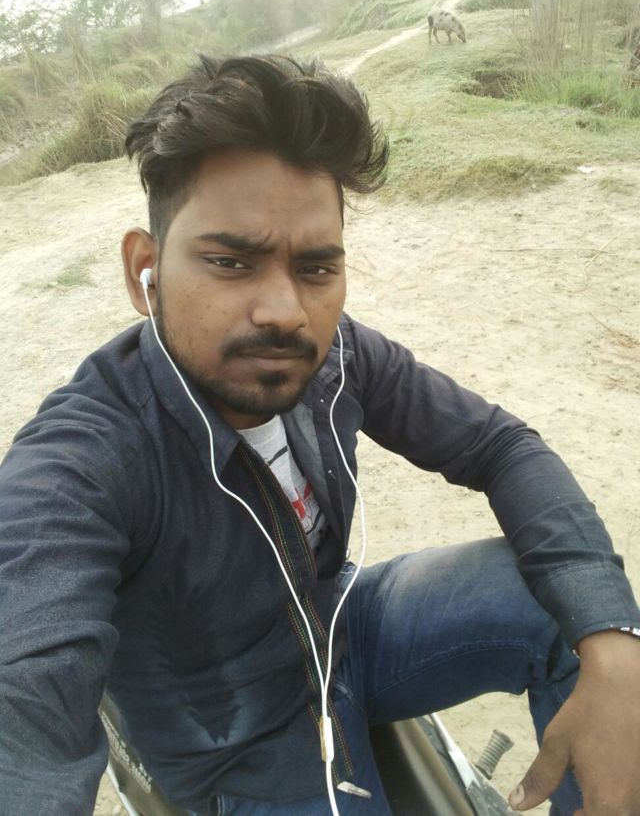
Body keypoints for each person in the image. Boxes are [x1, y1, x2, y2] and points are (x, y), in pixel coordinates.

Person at [0, 54, 639, 816]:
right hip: (237, 739)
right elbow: (25, 693)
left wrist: (613, 640)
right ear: (146, 268)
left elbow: (500, 445)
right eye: (230, 261)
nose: (284, 311)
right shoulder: (81, 460)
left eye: (314, 268)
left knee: (579, 613)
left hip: (344, 628)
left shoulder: (338, 355)